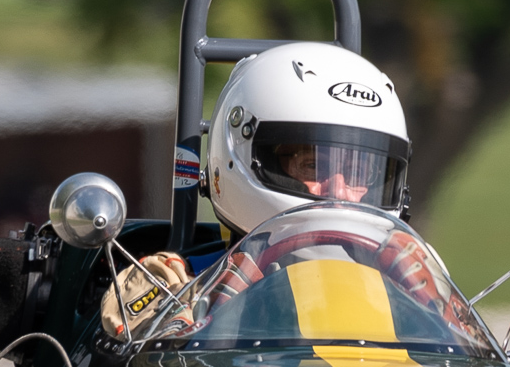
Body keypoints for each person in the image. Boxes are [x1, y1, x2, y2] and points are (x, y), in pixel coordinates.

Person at [100, 40, 411, 335]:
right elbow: (134, 356)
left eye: (359, 174)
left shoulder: (409, 286)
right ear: (248, 157)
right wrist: (203, 311)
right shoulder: (177, 282)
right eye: (313, 166)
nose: (339, 192)